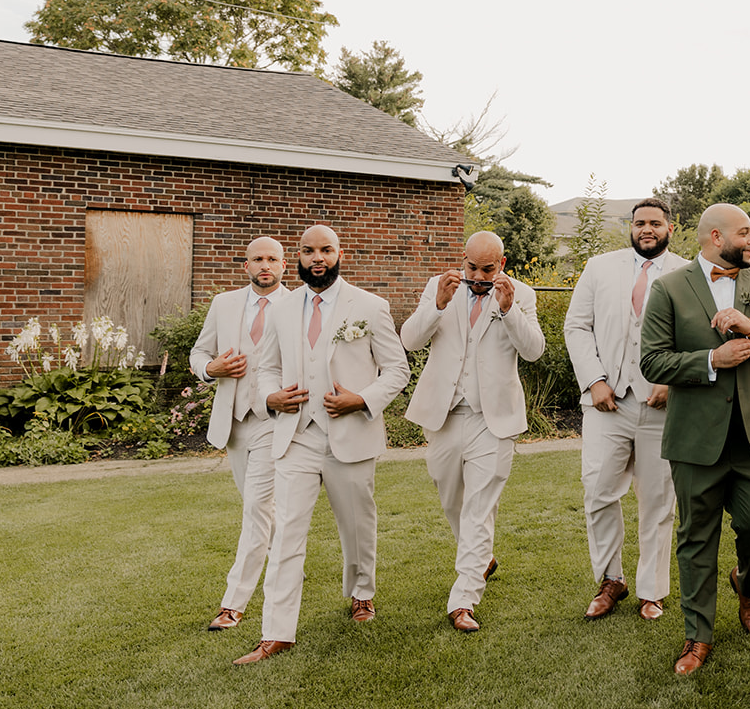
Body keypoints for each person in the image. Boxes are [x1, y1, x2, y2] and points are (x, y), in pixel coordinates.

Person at [234, 225, 409, 664]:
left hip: (350, 437)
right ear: (298, 255)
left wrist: (361, 399)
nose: (318, 258)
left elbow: (397, 371)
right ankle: (276, 632)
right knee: (287, 531)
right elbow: (267, 370)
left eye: (326, 250)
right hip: (296, 436)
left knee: (356, 525)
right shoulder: (284, 308)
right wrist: (270, 397)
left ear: (339, 253)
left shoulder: (369, 306)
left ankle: (361, 593)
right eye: (309, 251)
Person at [640, 203, 750, 674]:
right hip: (695, 440)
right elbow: (652, 362)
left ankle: (747, 587)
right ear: (715, 236)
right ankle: (697, 637)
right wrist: (712, 361)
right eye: (746, 233)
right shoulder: (668, 287)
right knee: (696, 538)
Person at [402, 231, 545, 633]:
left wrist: (509, 309)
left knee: (479, 508)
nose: (478, 275)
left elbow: (534, 350)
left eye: (487, 268)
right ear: (462, 260)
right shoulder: (438, 287)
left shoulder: (522, 294)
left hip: (493, 419)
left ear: (501, 264)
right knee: (452, 499)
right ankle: (481, 557)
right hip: (444, 414)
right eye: (472, 267)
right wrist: (437, 305)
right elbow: (410, 341)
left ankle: (463, 598)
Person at [564, 198, 687, 622]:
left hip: (663, 405)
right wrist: (594, 380)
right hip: (607, 403)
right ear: (630, 227)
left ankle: (652, 590)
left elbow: (697, 336)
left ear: (670, 227)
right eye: (639, 223)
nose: (646, 229)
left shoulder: (688, 272)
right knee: (598, 492)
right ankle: (611, 579)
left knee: (658, 499)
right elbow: (576, 325)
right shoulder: (600, 267)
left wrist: (672, 379)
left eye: (655, 223)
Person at [193, 236, 290, 632]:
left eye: (272, 259)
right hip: (233, 423)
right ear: (244, 266)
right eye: (257, 259)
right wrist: (209, 368)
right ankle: (284, 566)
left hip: (273, 419)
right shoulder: (224, 304)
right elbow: (199, 353)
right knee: (258, 509)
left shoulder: (299, 305)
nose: (264, 265)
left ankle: (233, 603)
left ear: (284, 265)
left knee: (256, 509)